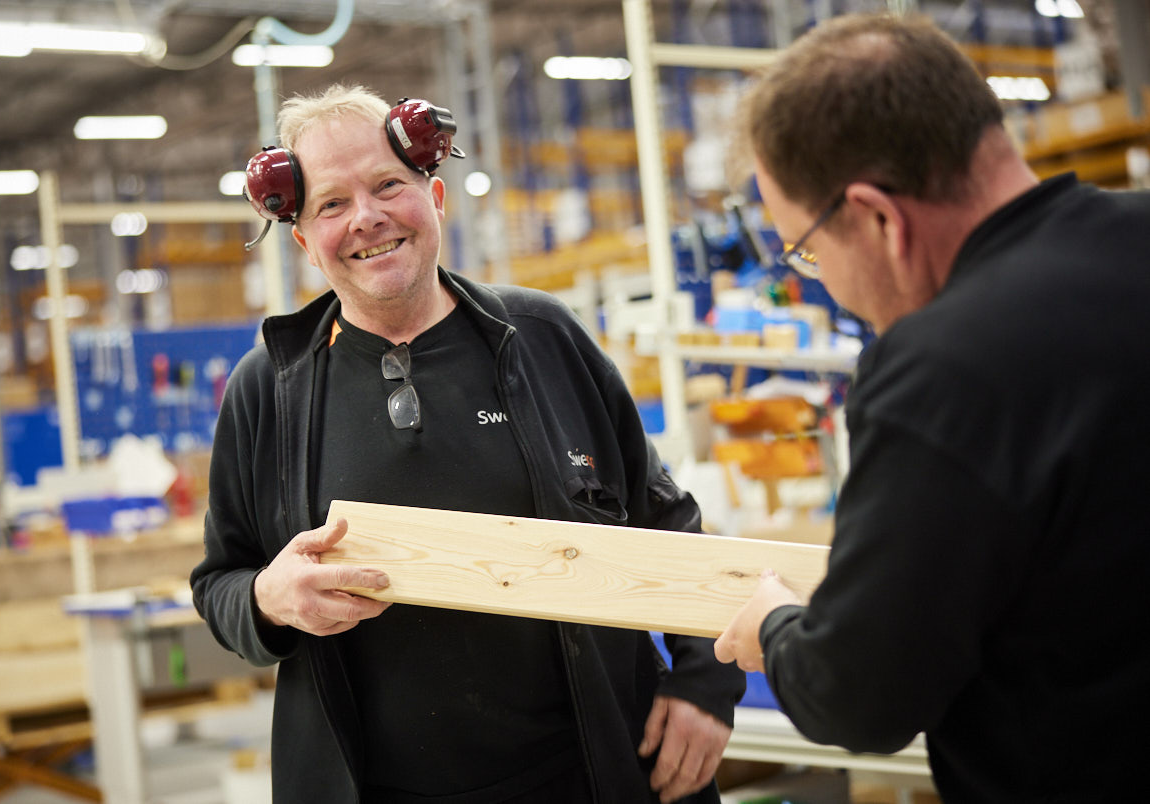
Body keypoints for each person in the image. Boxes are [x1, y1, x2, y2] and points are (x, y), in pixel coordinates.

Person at [191, 83, 745, 804]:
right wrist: (268, 596)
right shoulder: (270, 387)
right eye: (331, 203)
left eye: (388, 184)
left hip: (594, 773)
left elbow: (665, 518)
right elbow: (219, 586)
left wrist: (705, 680)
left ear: (436, 198)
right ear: (303, 240)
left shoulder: (543, 337)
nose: (366, 218)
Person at [712, 11, 1150, 803]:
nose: (822, 282)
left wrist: (777, 628)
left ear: (878, 218)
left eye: (807, 251)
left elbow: (863, 697)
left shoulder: (937, 374)